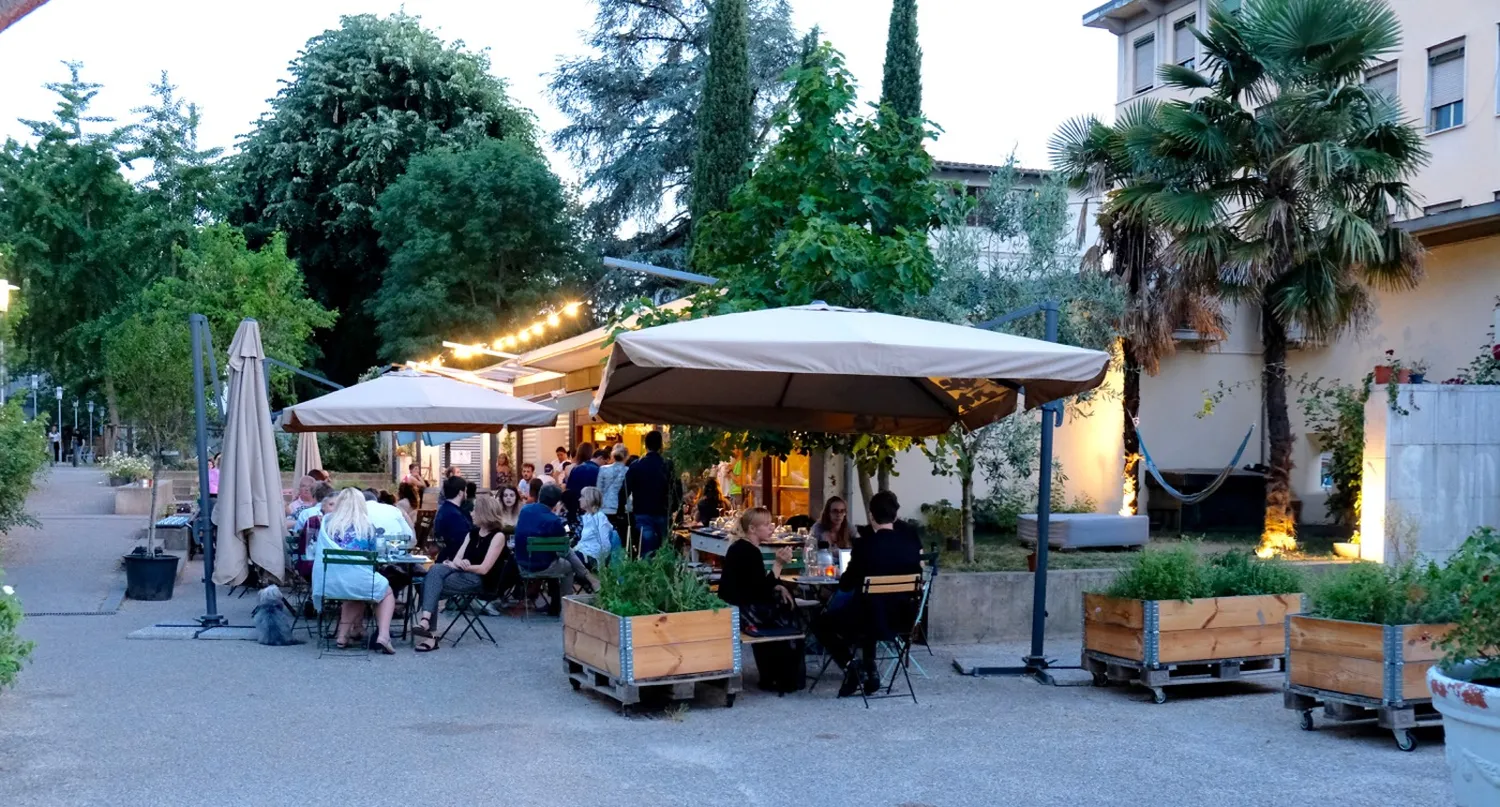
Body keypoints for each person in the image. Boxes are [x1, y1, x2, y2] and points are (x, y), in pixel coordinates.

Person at [814, 490, 922, 697]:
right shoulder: (910, 544)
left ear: (871, 515)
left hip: (869, 620)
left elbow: (846, 585)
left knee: (822, 622)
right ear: (896, 515)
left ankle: (852, 667)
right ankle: (870, 671)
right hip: (902, 620)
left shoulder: (865, 546)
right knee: (871, 607)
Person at [718, 507, 805, 693]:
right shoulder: (748, 551)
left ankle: (774, 674)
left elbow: (756, 585)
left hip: (735, 607)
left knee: (784, 601)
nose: (771, 528)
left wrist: (777, 585)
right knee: (788, 610)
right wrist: (778, 565)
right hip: (743, 611)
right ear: (752, 529)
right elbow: (760, 591)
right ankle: (785, 675)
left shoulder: (741, 547)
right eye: (766, 525)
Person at [412, 493, 510, 651]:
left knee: (429, 585)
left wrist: (463, 566)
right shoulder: (471, 534)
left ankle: (430, 632)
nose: (471, 513)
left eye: (474, 511)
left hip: (480, 580)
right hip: (461, 573)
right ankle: (426, 625)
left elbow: (484, 569)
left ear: (484, 513)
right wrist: (458, 564)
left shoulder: (498, 537)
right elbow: (457, 559)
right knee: (436, 569)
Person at [311, 489, 397, 654]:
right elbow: (373, 557)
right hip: (356, 580)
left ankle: (342, 637)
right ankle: (383, 636)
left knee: (354, 590)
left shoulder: (328, 525)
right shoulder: (366, 527)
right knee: (384, 591)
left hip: (329, 582)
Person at [512, 485, 577, 616]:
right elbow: (564, 540)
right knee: (567, 566)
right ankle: (566, 604)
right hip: (543, 565)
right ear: (556, 502)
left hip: (522, 563)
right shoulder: (554, 520)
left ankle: (555, 605)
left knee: (554, 559)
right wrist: (557, 515)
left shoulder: (525, 510)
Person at [625, 430, 671, 556]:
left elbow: (625, 490)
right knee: (663, 550)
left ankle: (646, 572)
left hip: (642, 511)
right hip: (662, 511)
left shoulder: (636, 466)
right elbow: (674, 489)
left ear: (645, 445)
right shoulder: (667, 465)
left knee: (646, 550)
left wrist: (621, 511)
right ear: (661, 445)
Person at [430, 476, 472, 562]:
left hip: (445, 558)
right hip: (453, 561)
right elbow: (461, 542)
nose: (466, 493)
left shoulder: (444, 509)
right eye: (465, 490)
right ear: (461, 492)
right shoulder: (455, 515)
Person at [575, 487, 614, 569]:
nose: (579, 499)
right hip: (583, 553)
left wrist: (597, 560)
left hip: (592, 558)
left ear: (589, 499)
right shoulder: (586, 517)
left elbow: (605, 545)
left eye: (582, 497)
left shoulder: (600, 518)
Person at [597, 442, 629, 539]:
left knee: (605, 537)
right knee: (621, 537)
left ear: (612, 455)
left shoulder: (603, 469)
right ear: (626, 456)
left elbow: (598, 490)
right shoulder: (628, 470)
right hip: (622, 508)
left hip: (605, 507)